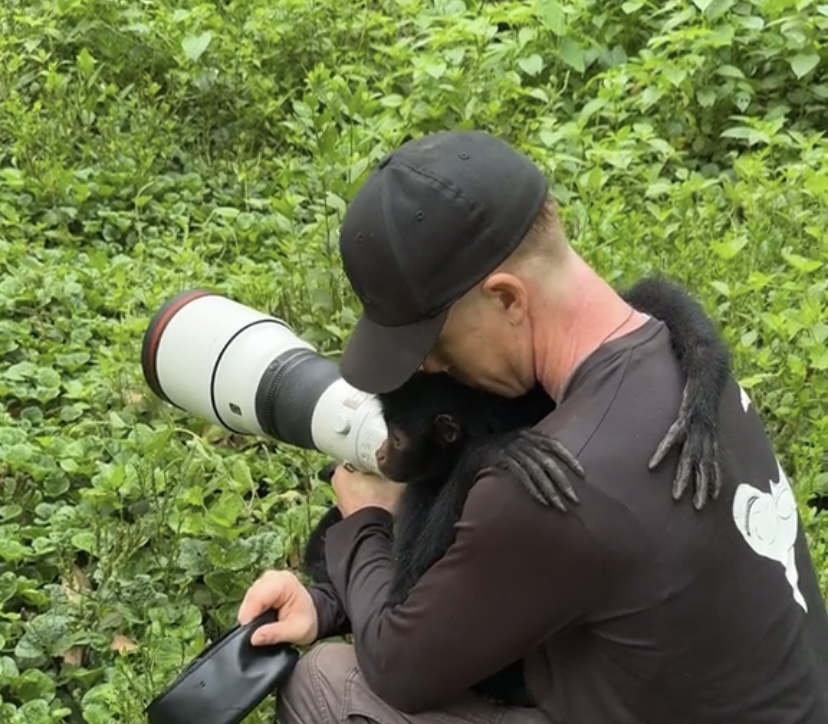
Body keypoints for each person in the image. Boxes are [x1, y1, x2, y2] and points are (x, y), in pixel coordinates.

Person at [238, 131, 828, 723]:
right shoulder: (683, 357)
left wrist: (363, 520)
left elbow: (397, 668)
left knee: (326, 683)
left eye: (433, 343)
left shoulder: (551, 478)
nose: (432, 367)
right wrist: (327, 603)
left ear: (507, 298)